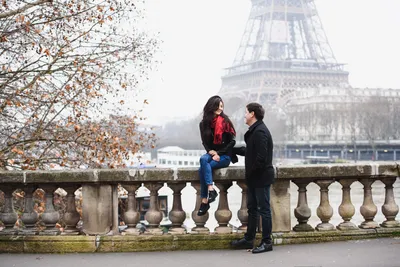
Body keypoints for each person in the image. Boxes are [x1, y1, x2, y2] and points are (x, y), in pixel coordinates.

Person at [231, 102, 275, 254]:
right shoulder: (256, 130)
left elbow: (261, 158)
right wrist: (232, 149)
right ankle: (249, 239)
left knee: (264, 210)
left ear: (252, 114)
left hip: (261, 177)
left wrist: (250, 172)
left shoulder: (260, 132)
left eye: (246, 112)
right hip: (255, 177)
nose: (244, 115)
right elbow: (249, 151)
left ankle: (267, 242)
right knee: (252, 209)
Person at [197, 95, 236, 216]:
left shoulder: (226, 122)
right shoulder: (203, 124)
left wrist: (219, 153)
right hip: (211, 153)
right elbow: (204, 141)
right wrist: (211, 152)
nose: (220, 109)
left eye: (222, 106)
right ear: (211, 106)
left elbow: (232, 142)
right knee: (203, 159)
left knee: (202, 168)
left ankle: (204, 201)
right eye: (218, 106)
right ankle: (211, 189)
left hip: (225, 155)